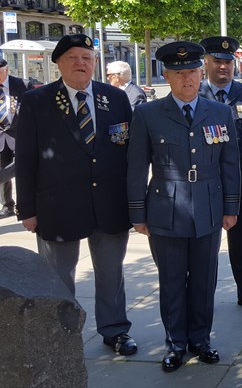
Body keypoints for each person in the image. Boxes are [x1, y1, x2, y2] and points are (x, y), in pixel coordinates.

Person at [15, 34, 137, 357]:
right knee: (58, 278)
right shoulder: (36, 101)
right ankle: (61, 336)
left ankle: (115, 331)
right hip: (57, 207)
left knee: (112, 273)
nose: (81, 63)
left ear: (95, 63)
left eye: (87, 57)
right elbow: (25, 159)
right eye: (72, 57)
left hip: (109, 205)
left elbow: (128, 153)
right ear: (58, 63)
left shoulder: (115, 98)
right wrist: (26, 208)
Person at [127, 41, 240, 372]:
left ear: (200, 72)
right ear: (166, 75)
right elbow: (135, 167)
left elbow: (230, 163)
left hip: (208, 206)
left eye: (192, 71)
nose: (186, 79)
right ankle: (175, 343)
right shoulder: (148, 114)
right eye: (178, 73)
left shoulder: (220, 112)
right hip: (165, 208)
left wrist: (231, 207)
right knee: (172, 280)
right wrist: (137, 213)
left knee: (205, 280)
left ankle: (201, 339)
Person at [198, 36, 242, 307]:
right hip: (204, 183)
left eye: (228, 62)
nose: (223, 67)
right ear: (206, 63)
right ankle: (200, 296)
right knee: (202, 244)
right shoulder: (193, 94)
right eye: (217, 61)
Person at [0, 57, 26, 218]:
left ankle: (24, 205)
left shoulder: (22, 85)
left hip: (19, 135)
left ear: (7, 70)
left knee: (24, 172)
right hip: (1, 138)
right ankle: (7, 205)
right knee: (3, 172)